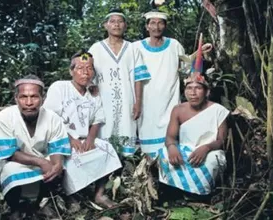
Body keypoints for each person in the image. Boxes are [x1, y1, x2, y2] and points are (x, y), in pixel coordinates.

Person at [43, 50, 122, 208]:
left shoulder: (93, 93)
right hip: (59, 139)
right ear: (71, 71)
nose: (85, 72)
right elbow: (50, 118)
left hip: (83, 138)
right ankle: (71, 195)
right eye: (80, 68)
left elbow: (97, 119)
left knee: (106, 149)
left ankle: (99, 194)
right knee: (69, 158)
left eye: (90, 68)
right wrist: (70, 140)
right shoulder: (59, 87)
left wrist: (91, 139)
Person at [133, 10, 213, 159]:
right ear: (147, 26)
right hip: (147, 102)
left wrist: (199, 52)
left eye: (160, 23)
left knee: (171, 140)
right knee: (148, 143)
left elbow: (185, 67)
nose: (156, 27)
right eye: (153, 23)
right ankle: (151, 176)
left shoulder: (174, 45)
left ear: (165, 26)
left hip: (170, 99)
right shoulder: (136, 47)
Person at [0, 75, 71, 219]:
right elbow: (9, 153)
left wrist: (57, 164)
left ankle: (42, 204)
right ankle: (15, 207)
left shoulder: (52, 117)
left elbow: (57, 147)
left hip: (43, 159)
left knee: (62, 166)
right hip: (15, 162)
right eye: (23, 97)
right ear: (16, 98)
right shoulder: (4, 117)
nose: (29, 102)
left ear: (43, 98)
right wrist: (42, 162)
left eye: (34, 96)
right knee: (10, 170)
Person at [158, 47, 229, 195]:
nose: (193, 92)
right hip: (186, 150)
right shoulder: (178, 109)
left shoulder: (218, 110)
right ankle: (175, 191)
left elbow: (221, 140)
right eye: (189, 88)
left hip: (210, 150)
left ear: (207, 91)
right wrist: (172, 147)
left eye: (198, 88)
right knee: (163, 154)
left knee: (212, 161)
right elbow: (170, 137)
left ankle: (200, 195)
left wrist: (206, 148)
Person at [88, 9, 151, 156]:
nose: (116, 25)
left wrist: (138, 103)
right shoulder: (96, 49)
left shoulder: (132, 48)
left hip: (127, 100)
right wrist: (91, 86)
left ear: (125, 25)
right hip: (104, 100)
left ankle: (126, 173)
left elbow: (139, 78)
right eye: (112, 21)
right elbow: (87, 74)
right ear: (105, 25)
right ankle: (106, 174)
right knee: (104, 134)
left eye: (120, 21)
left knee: (127, 132)